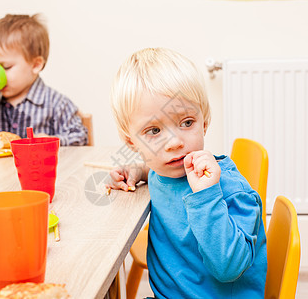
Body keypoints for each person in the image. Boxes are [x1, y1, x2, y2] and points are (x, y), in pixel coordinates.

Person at [107, 48, 267, 298]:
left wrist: (206, 196)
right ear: (132, 143)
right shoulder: (164, 170)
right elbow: (156, 170)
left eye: (187, 123)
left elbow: (229, 268)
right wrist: (137, 170)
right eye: (154, 131)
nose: (174, 143)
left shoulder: (229, 189)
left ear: (204, 122)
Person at [0, 14, 88, 147]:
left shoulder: (56, 104)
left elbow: (80, 137)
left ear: (36, 65)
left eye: (6, 67)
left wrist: (51, 141)